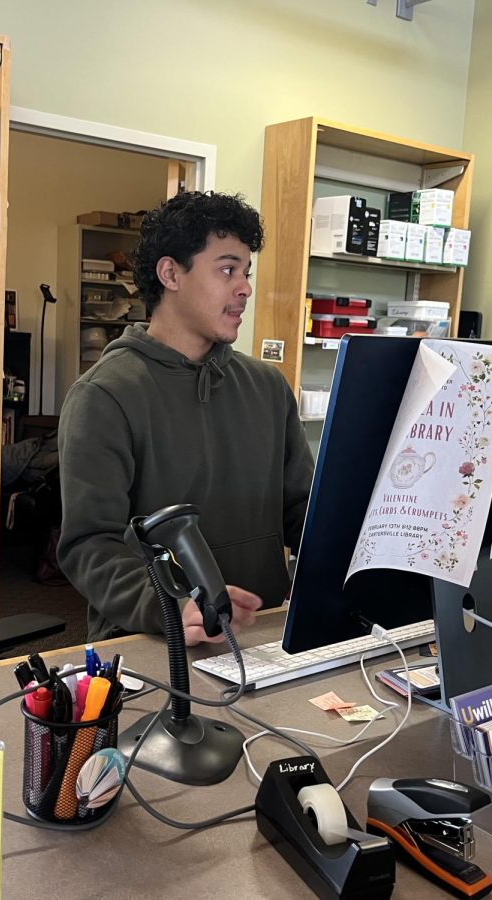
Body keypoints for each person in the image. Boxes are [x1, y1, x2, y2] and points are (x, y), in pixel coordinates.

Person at [57, 191, 315, 646]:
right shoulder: (104, 397)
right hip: (157, 641)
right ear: (171, 273)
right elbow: (90, 546)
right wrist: (172, 607)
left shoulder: (268, 388)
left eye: (246, 273)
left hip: (264, 636)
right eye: (228, 269)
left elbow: (303, 510)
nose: (245, 288)